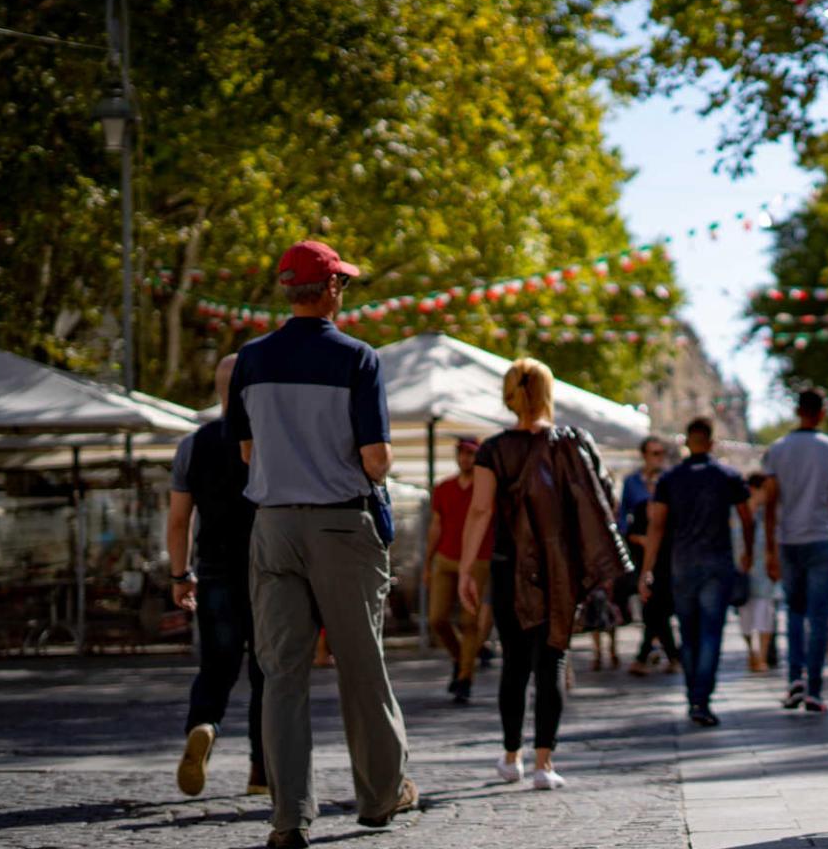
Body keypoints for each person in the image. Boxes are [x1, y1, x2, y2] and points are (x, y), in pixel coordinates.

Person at [227, 240, 414, 849]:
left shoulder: (250, 360)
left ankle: (288, 818)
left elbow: (246, 452)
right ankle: (380, 797)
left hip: (273, 526)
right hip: (340, 527)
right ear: (331, 289)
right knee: (361, 667)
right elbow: (375, 459)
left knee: (281, 675)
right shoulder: (358, 358)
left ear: (288, 291)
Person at [457, 358, 629, 789]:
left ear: (509, 394)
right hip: (559, 568)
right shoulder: (575, 443)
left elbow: (480, 511)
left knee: (514, 662)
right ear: (549, 392)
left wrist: (465, 570)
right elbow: (605, 500)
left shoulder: (494, 449)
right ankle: (544, 764)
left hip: (508, 565)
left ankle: (510, 756)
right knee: (552, 658)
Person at [167, 353, 264, 798]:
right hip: (268, 569)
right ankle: (262, 772)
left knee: (216, 666)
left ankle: (203, 725)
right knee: (267, 672)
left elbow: (178, 521)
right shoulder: (269, 441)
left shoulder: (193, 445)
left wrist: (179, 575)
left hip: (215, 570)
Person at [639, 418, 758, 726]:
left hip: (682, 564)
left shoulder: (670, 479)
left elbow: (656, 526)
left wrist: (646, 570)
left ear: (687, 442)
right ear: (711, 442)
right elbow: (747, 518)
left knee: (689, 632)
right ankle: (701, 699)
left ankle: (694, 695)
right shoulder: (727, 475)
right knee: (710, 633)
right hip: (717, 563)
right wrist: (748, 553)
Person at [762, 389, 828, 713]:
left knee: (794, 613)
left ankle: (794, 680)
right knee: (819, 617)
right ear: (822, 412)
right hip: (821, 539)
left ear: (797, 411)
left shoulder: (776, 450)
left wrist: (770, 549)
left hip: (788, 540)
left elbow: (769, 502)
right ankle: (814, 689)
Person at [424, 436, 493, 704]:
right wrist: (428, 561)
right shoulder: (444, 488)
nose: (465, 458)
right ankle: (459, 657)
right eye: (462, 453)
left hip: (477, 559)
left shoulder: (486, 488)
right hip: (446, 557)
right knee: (437, 619)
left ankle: (465, 676)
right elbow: (436, 525)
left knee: (469, 621)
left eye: (470, 454)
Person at [623, 437, 680, 676]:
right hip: (642, 555)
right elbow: (624, 520)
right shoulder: (633, 485)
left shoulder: (671, 482)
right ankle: (669, 656)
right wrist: (635, 539)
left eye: (661, 453)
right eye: (654, 453)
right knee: (652, 605)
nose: (658, 457)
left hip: (666, 556)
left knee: (656, 607)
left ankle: (648, 655)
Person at [735, 473, 780, 673]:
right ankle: (751, 652)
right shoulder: (738, 512)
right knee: (745, 616)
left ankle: (761, 656)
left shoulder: (768, 514)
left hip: (764, 572)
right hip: (742, 573)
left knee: (765, 613)